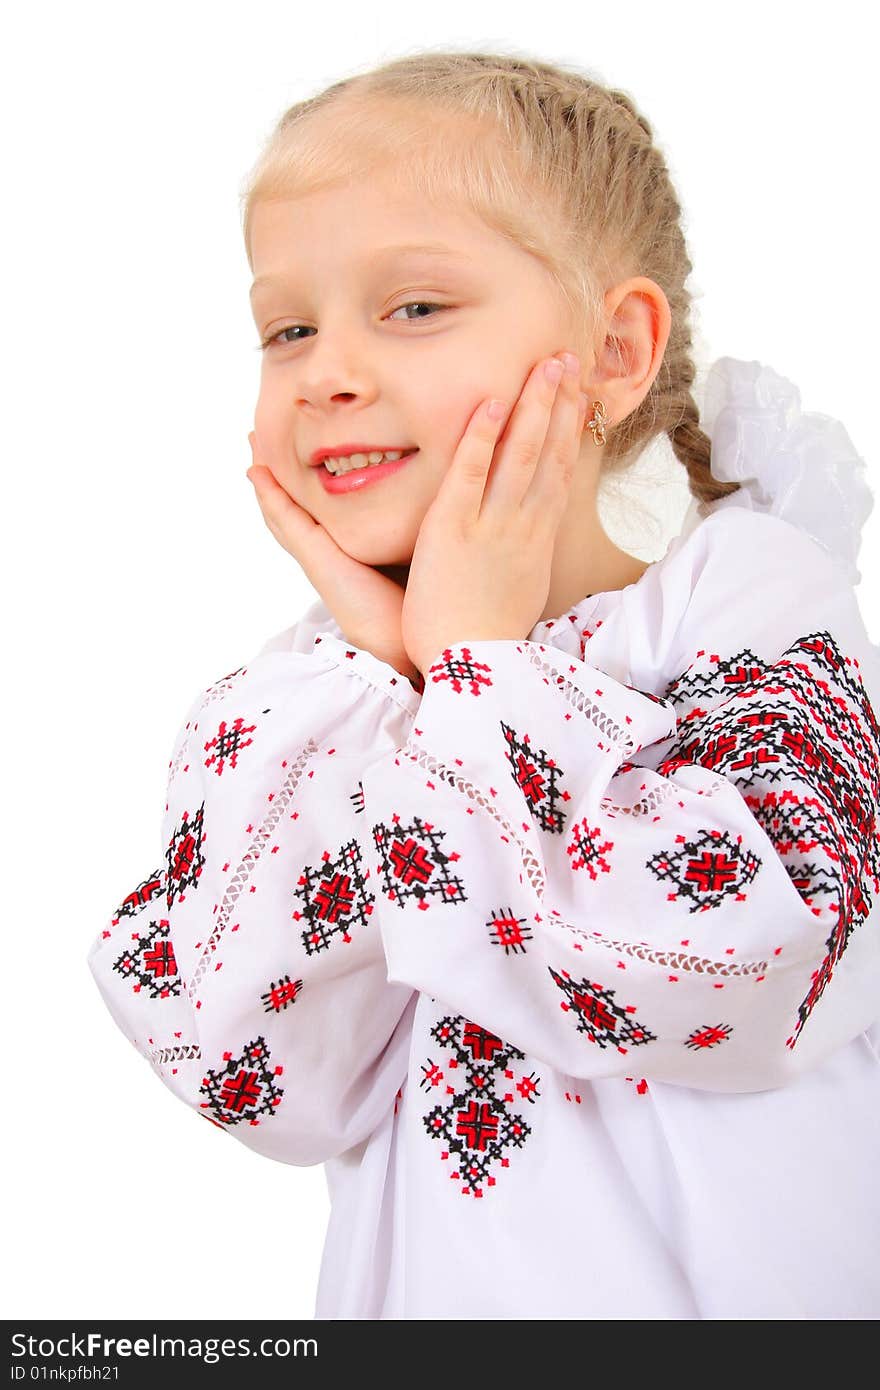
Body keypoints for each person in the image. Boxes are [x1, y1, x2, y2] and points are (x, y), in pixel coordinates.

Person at [87, 50, 880, 1319]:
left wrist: (478, 672)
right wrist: (387, 665)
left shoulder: (741, 606)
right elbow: (251, 1065)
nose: (326, 371)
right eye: (287, 326)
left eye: (412, 308)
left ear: (612, 350)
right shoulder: (320, 699)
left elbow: (750, 962)